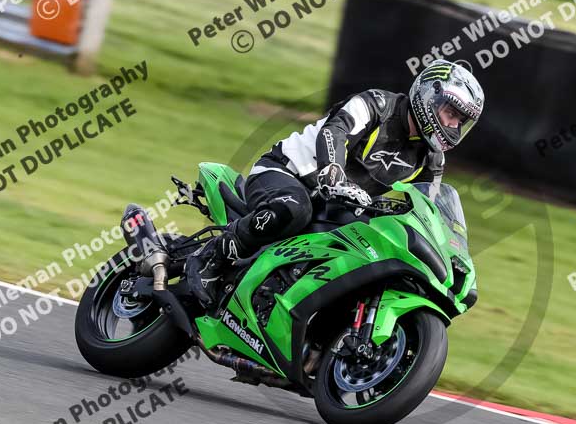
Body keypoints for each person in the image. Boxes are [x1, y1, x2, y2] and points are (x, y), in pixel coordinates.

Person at [187, 60, 485, 307]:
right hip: (288, 173)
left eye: (460, 121)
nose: (453, 125)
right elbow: (335, 131)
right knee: (296, 209)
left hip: (339, 205)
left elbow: (429, 211)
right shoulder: (377, 105)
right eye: (450, 113)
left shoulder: (431, 160)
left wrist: (450, 251)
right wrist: (333, 172)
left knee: (368, 252)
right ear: (429, 96)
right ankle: (211, 257)